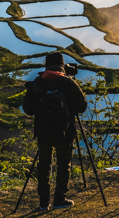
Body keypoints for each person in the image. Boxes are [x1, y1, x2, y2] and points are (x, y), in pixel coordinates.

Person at [23, 52, 87, 211]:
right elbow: (82, 107)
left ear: (46, 65)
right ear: (62, 65)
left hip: (43, 132)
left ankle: (43, 203)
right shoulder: (68, 83)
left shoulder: (38, 82)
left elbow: (28, 109)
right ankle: (60, 199)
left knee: (44, 166)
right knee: (63, 165)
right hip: (65, 132)